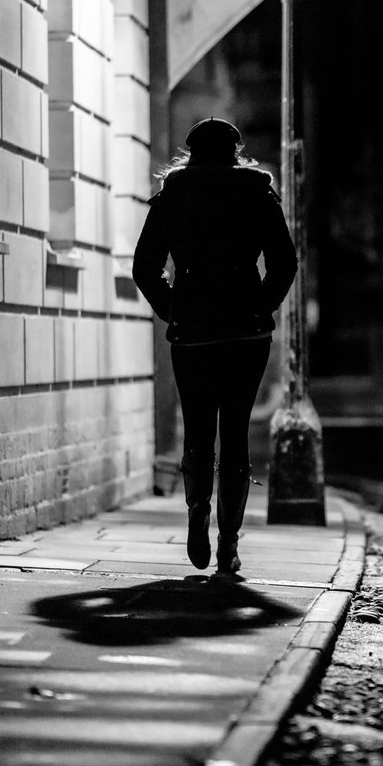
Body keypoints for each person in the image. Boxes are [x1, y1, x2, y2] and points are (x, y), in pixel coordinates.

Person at [133, 117, 298, 574]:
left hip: (193, 329)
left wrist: (174, 308)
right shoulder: (257, 193)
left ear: (192, 152)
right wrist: (260, 304)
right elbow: (284, 261)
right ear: (234, 151)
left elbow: (145, 266)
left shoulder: (174, 194)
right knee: (236, 432)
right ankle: (228, 543)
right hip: (246, 330)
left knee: (198, 428)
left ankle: (196, 513)